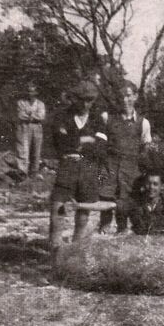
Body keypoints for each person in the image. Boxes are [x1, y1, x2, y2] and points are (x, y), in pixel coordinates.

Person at [48, 81, 108, 252]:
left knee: (83, 213)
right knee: (58, 208)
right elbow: (61, 143)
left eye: (89, 100)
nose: (85, 104)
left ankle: (76, 251)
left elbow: (100, 147)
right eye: (81, 99)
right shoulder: (62, 117)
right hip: (67, 166)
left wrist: (78, 142)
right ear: (74, 99)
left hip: (88, 168)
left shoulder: (97, 120)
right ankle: (54, 251)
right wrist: (86, 139)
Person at [98, 80, 153, 234]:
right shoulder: (107, 118)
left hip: (131, 175)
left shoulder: (143, 123)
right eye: (121, 96)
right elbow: (99, 146)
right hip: (110, 173)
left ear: (135, 97)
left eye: (128, 96)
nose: (125, 100)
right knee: (106, 216)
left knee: (130, 214)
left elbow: (145, 151)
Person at [129, 169, 164, 236]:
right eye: (148, 183)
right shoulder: (136, 203)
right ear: (144, 184)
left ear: (162, 186)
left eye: (155, 184)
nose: (151, 187)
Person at [16, 81, 46, 178]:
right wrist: (33, 115)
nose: (30, 94)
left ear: (36, 93)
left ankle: (34, 172)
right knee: (23, 150)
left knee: (36, 150)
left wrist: (30, 115)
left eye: (33, 92)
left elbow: (41, 116)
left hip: (37, 128)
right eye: (29, 91)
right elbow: (20, 115)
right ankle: (22, 173)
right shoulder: (21, 102)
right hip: (24, 127)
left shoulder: (41, 104)